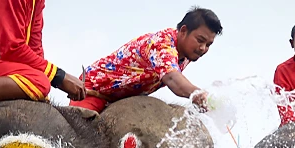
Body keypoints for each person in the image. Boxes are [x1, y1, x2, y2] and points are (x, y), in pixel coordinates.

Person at [69, 8, 221, 114]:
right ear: (183, 31)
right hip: (95, 89)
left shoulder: (185, 54)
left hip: (123, 101)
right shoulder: (162, 44)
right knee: (80, 134)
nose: (203, 48)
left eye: (208, 45)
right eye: (200, 40)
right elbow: (173, 79)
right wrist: (199, 95)